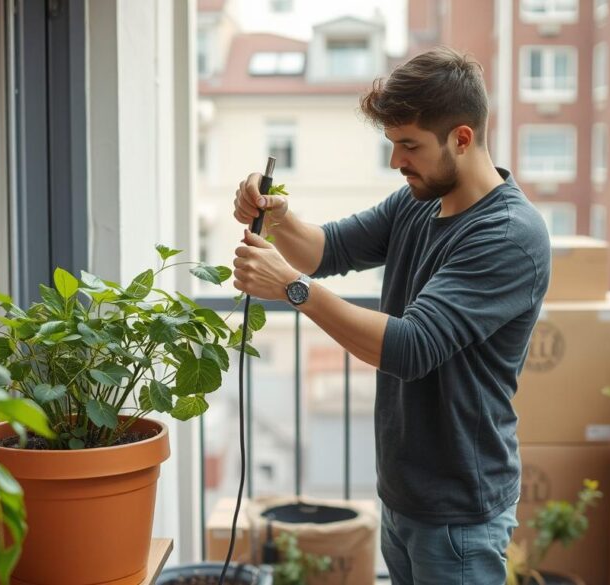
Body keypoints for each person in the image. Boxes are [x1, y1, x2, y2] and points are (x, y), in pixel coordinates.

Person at [230, 47, 552, 585]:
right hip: (404, 495)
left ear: (463, 138)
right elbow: (327, 250)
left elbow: (410, 348)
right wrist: (280, 219)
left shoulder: (508, 236)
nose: (396, 161)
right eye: (392, 144)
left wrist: (290, 287)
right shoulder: (419, 200)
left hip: (458, 513)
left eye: (409, 146)